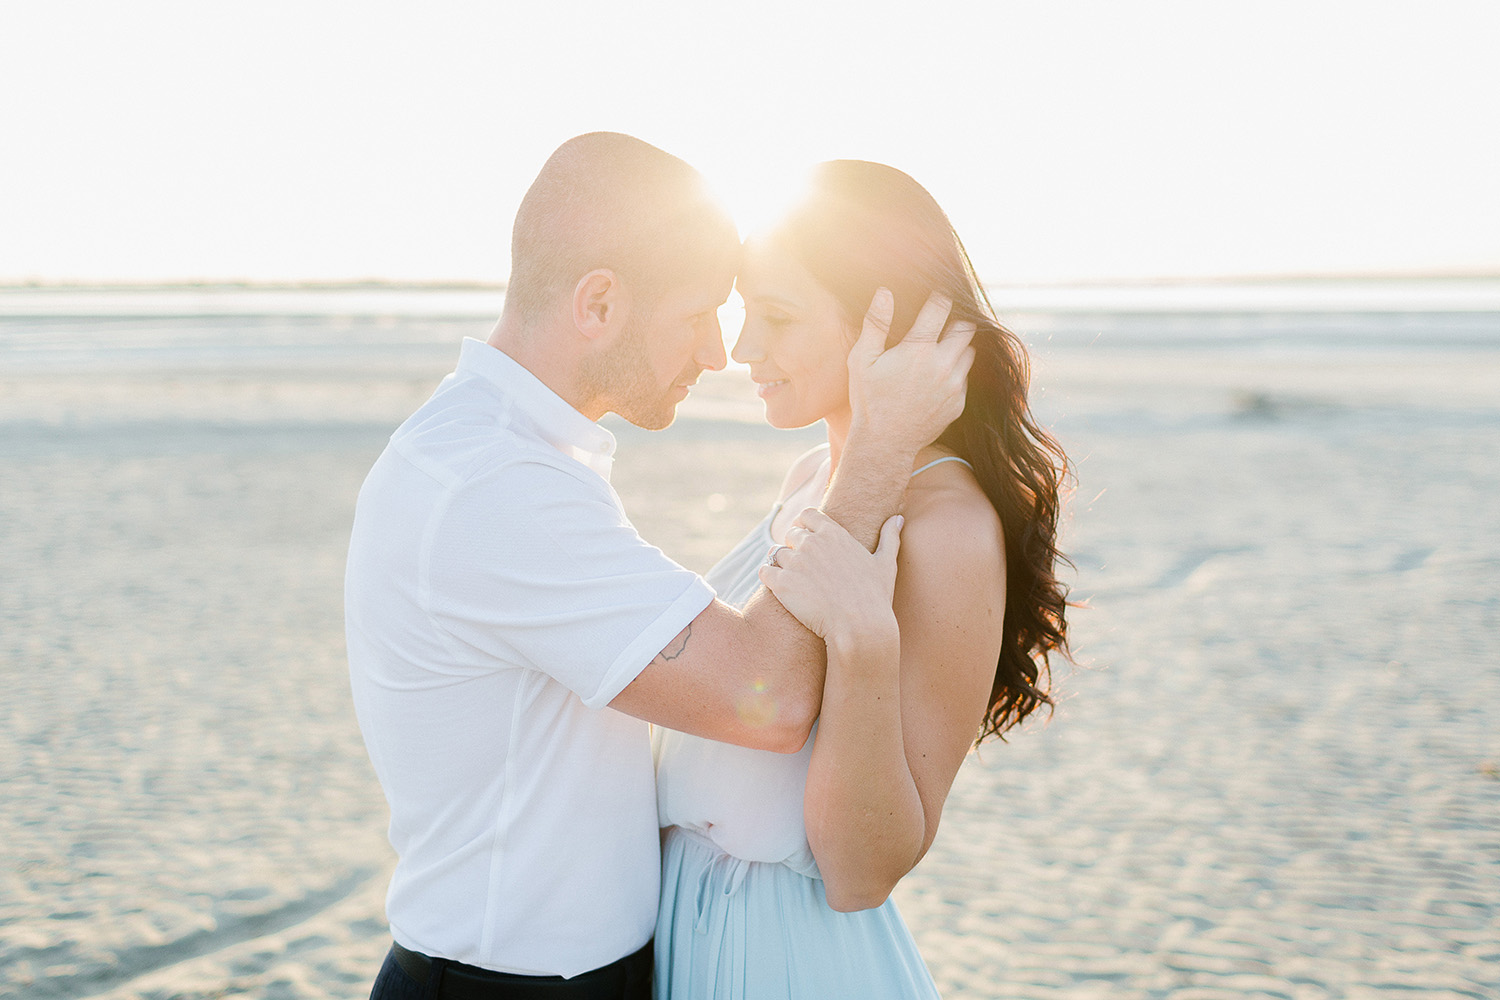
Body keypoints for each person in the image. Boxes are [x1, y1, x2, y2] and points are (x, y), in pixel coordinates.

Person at [344, 134, 975, 1000]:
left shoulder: (508, 457)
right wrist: (875, 453)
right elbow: (773, 695)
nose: (720, 353)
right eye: (699, 314)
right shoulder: (494, 487)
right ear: (598, 303)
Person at [652, 159, 1073, 998]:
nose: (743, 349)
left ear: (889, 327)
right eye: (745, 314)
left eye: (775, 316)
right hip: (683, 924)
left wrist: (866, 648)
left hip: (786, 956)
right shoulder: (814, 475)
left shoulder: (949, 530)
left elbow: (862, 872)